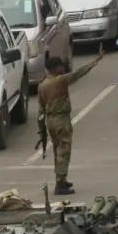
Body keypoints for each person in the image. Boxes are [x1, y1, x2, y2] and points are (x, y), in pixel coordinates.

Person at [38, 43, 105, 196]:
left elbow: (40, 109)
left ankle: (61, 178)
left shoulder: (42, 85)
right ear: (55, 68)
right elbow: (80, 73)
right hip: (61, 119)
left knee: (57, 150)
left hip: (50, 120)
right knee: (64, 150)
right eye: (60, 66)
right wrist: (97, 59)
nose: (63, 67)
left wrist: (41, 128)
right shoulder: (60, 80)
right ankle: (60, 183)